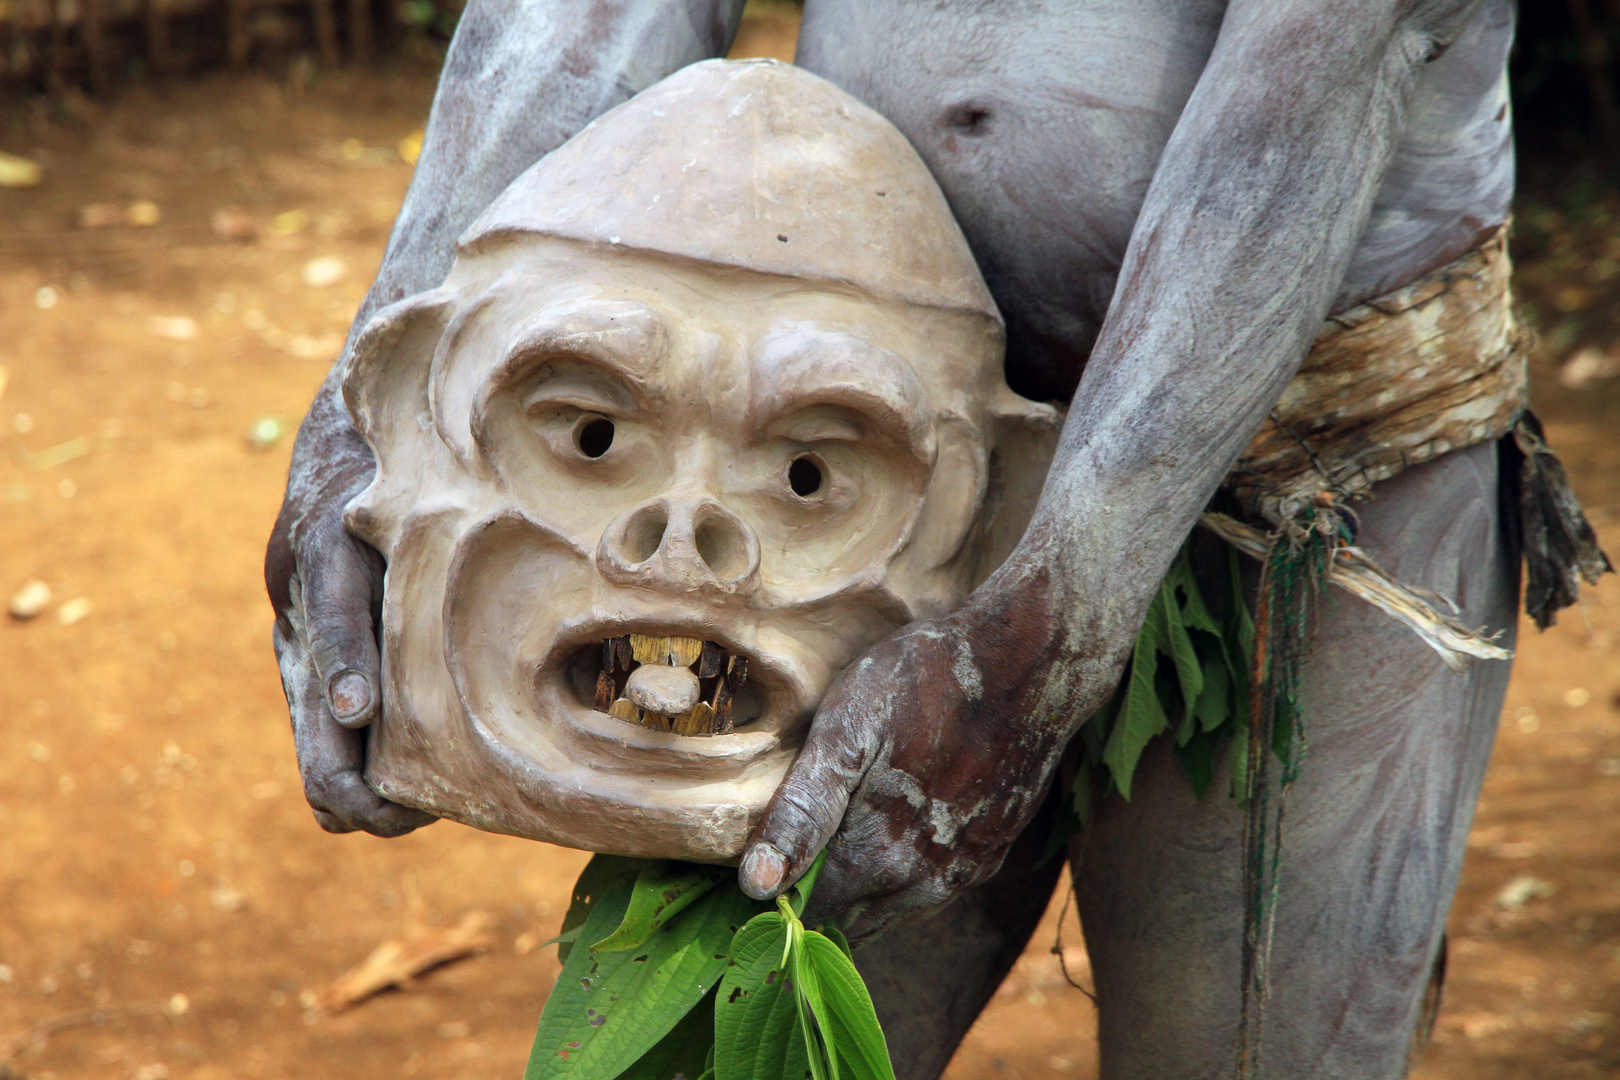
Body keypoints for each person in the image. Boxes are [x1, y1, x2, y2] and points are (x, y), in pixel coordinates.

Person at [267, 2, 1589, 1074]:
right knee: (739, 1046)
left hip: (1315, 501)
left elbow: (1306, 94)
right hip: (854, 480)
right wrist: (373, 416)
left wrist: (1045, 624)